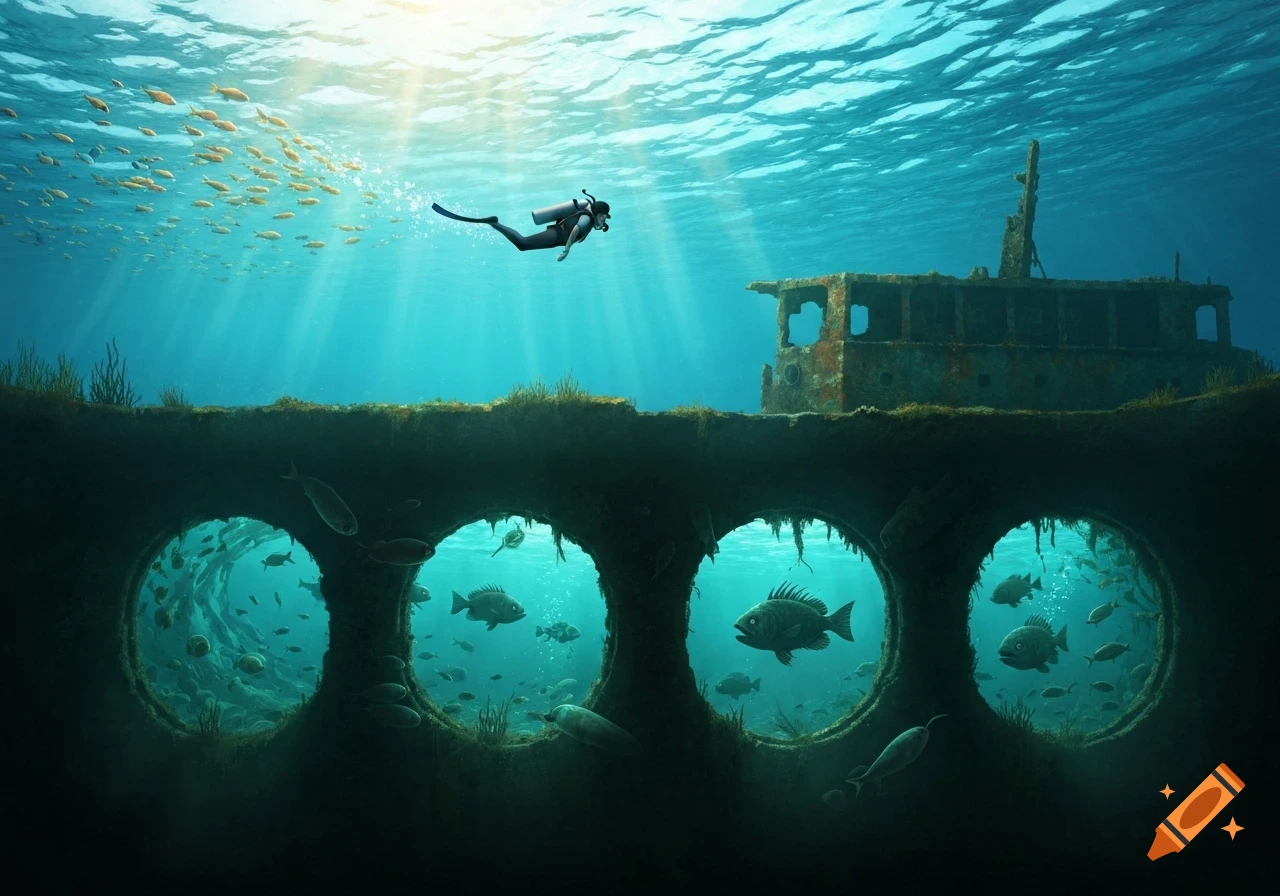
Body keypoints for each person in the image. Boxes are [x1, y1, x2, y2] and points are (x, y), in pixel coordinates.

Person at [431, 189, 611, 262]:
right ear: (597, 213)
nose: (603, 221)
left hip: (556, 236)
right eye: (603, 217)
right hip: (556, 236)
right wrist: (567, 250)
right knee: (522, 244)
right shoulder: (587, 219)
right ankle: (494, 222)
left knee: (522, 244)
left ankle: (494, 223)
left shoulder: (588, 217)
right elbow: (577, 229)